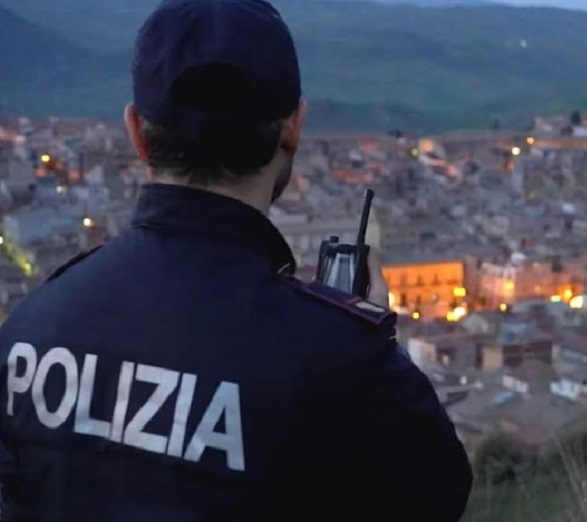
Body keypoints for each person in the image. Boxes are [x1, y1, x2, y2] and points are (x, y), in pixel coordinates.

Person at [0, 0, 472, 520]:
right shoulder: (344, 366)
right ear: (293, 128)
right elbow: (437, 497)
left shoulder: (31, 328)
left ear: (136, 132)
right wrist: (372, 348)